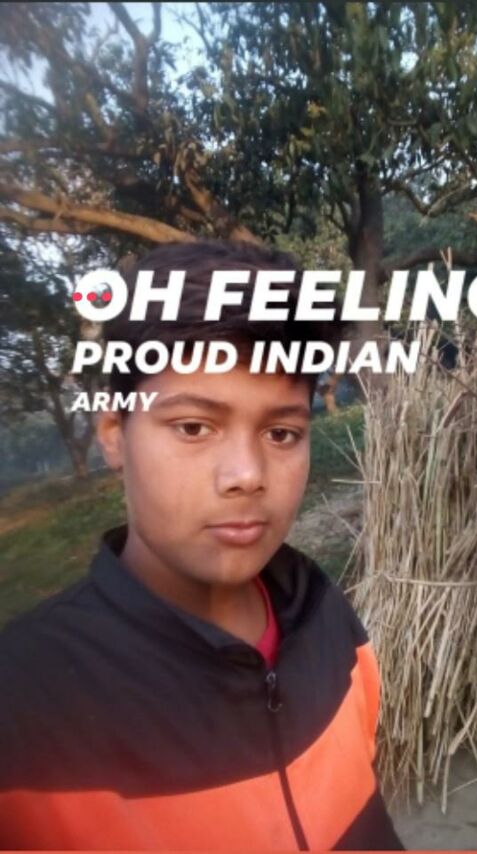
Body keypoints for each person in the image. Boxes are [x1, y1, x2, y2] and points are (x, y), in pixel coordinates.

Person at [0, 240, 403, 850]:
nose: (247, 474)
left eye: (281, 432)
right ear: (114, 434)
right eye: (193, 426)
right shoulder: (23, 710)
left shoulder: (327, 616)